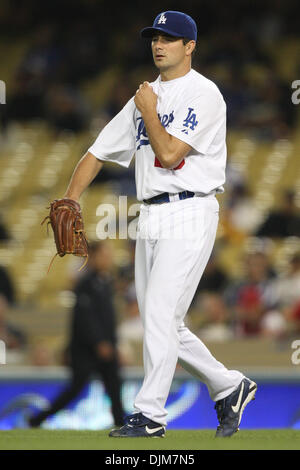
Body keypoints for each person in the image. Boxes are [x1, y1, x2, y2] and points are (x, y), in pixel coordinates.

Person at [60, 11, 257, 438]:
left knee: (161, 316)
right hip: (149, 214)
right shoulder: (142, 98)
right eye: (155, 36)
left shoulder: (204, 94)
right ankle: (228, 384)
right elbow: (96, 152)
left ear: (190, 47)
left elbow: (169, 154)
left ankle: (150, 415)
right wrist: (71, 199)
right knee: (163, 322)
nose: (159, 43)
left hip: (190, 208)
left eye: (170, 37)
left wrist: (149, 109)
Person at [29, 240, 124, 428]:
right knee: (75, 389)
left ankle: (121, 424)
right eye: (104, 255)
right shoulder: (85, 284)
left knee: (114, 387)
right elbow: (85, 319)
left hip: (106, 346)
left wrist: (113, 342)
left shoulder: (106, 283)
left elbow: (108, 319)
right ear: (94, 257)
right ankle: (38, 419)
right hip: (86, 351)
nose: (108, 259)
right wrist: (100, 342)